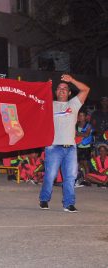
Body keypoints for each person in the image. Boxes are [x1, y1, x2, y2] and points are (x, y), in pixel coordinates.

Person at [39, 75, 89, 213]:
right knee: (50, 176)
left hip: (70, 148)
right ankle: (44, 200)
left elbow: (86, 89)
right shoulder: (49, 105)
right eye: (59, 88)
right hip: (53, 147)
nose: (62, 90)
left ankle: (68, 203)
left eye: (65, 88)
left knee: (70, 177)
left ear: (69, 92)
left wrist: (71, 80)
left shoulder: (73, 104)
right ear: (55, 92)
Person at [75, 111, 93, 181]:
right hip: (78, 146)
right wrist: (80, 134)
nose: (80, 117)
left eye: (82, 115)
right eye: (79, 115)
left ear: (85, 117)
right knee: (78, 163)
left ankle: (87, 179)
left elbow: (86, 135)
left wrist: (77, 133)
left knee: (85, 164)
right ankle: (81, 177)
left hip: (86, 147)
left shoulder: (88, 125)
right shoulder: (76, 125)